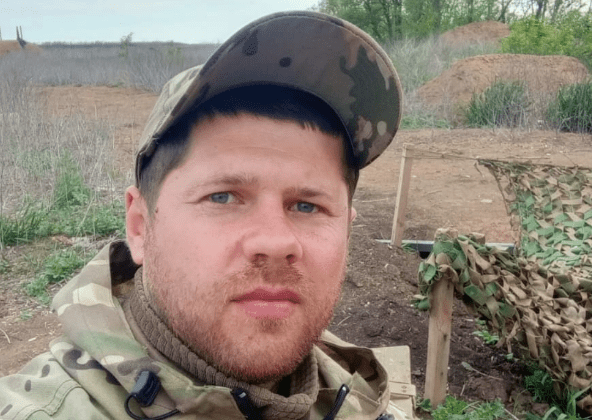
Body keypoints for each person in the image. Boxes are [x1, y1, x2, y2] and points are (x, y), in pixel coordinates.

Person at [0, 11, 410, 420]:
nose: (275, 241)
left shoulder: (364, 399)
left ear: (346, 230)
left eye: (307, 206)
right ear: (140, 227)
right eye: (223, 197)